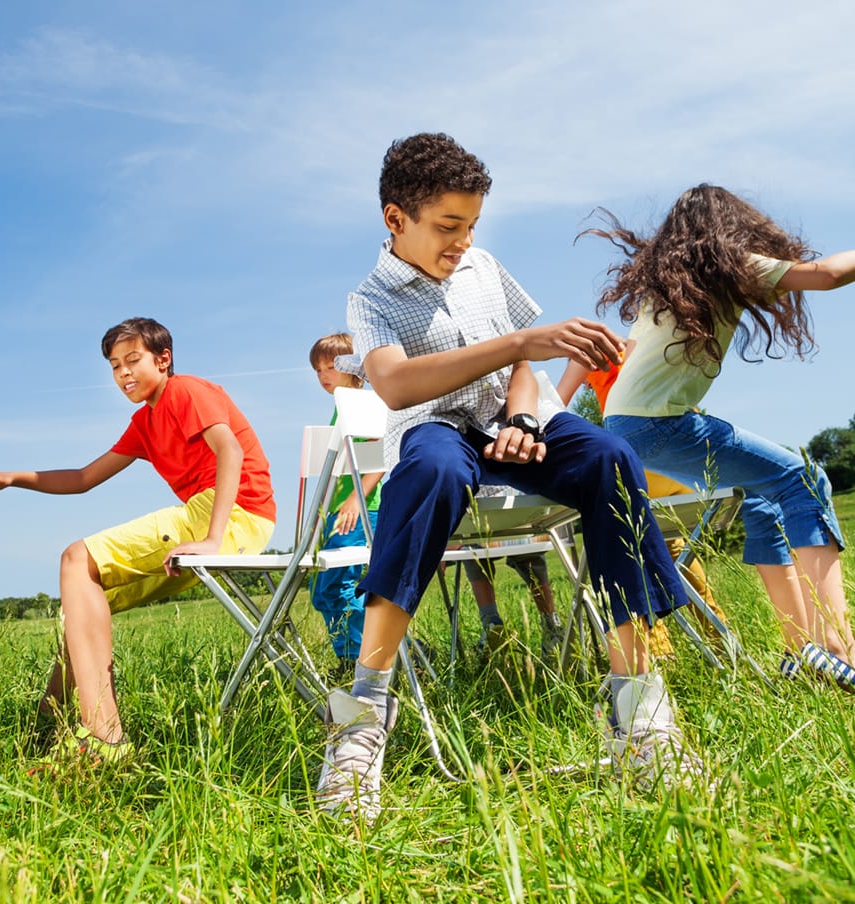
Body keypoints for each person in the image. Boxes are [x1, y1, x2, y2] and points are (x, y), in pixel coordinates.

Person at [315, 133, 700, 825]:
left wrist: (524, 415)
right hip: (437, 427)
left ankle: (636, 704)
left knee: (611, 458)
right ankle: (361, 714)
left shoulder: (483, 267)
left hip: (513, 420)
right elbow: (396, 386)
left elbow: (525, 366)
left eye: (471, 226)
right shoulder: (369, 299)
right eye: (448, 226)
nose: (462, 241)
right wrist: (522, 343)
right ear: (394, 218)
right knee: (427, 469)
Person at [0, 317, 276, 766]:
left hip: (231, 516)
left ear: (163, 359)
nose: (124, 373)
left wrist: (212, 539)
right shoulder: (144, 421)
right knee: (82, 607)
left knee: (77, 558)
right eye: (114, 366)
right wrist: (11, 478)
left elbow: (231, 451)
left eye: (133, 361)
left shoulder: (185, 391)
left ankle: (104, 741)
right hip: (219, 519)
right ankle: (44, 730)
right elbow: (83, 478)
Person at [585, 184, 855, 688]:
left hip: (625, 426)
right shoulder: (729, 266)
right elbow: (832, 274)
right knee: (805, 478)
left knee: (762, 497)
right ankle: (837, 645)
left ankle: (802, 649)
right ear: (731, 228)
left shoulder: (667, 285)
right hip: (657, 424)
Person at [557, 359, 731, 657]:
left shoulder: (594, 356)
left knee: (629, 541)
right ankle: (720, 637)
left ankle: (658, 649)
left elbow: (556, 403)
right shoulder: (646, 358)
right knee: (674, 546)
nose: (586, 383)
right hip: (686, 470)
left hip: (647, 465)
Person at [308, 333, 386, 676]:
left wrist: (356, 498)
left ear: (354, 367)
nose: (323, 375)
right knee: (323, 592)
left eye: (331, 367)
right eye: (318, 369)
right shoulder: (340, 408)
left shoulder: (366, 402)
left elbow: (383, 452)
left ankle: (358, 660)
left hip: (361, 509)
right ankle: (352, 653)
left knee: (340, 584)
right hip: (338, 511)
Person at [462, 548, 563, 662]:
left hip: (479, 543)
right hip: (527, 536)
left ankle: (491, 624)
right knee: (530, 553)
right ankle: (552, 625)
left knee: (471, 554)